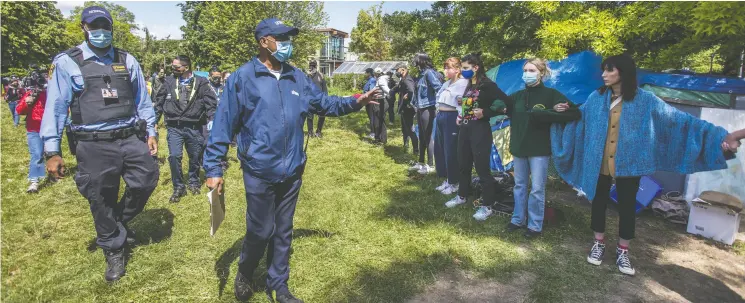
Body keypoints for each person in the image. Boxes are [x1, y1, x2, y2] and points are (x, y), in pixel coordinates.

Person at [202, 18, 380, 303]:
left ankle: (278, 286)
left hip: (293, 169)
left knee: (283, 231)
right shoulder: (243, 78)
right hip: (259, 169)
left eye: (289, 38)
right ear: (264, 42)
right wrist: (213, 167)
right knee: (260, 230)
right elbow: (223, 124)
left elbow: (324, 103)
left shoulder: (297, 77)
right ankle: (245, 271)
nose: (288, 44)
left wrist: (354, 101)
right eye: (281, 38)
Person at [550, 54, 739, 276]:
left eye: (609, 70)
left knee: (627, 206)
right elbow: (580, 117)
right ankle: (598, 243)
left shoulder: (645, 100)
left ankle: (623, 250)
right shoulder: (596, 97)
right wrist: (564, 111)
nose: (604, 74)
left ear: (624, 72)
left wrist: (721, 136)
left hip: (630, 164)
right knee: (598, 202)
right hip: (598, 161)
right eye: (604, 70)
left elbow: (682, 121)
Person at [41, 6, 159, 282]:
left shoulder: (127, 60)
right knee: (100, 196)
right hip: (92, 142)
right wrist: (52, 150)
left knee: (146, 180)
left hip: (130, 136)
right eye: (94, 26)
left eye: (105, 26)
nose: (101, 32)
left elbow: (142, 100)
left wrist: (151, 130)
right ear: (84, 27)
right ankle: (113, 248)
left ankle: (115, 223)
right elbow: (56, 107)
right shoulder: (67, 62)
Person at [491, 59, 580, 236]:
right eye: (525, 70)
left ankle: (535, 225)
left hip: (539, 149)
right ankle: (517, 219)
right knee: (519, 186)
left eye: (531, 70)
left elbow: (574, 112)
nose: (527, 73)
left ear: (541, 73)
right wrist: (499, 106)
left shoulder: (551, 95)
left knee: (538, 188)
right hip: (519, 147)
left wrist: (547, 113)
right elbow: (496, 106)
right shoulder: (517, 95)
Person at [445, 53, 511, 210]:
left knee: (482, 169)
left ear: (476, 67)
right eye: (462, 67)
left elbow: (506, 103)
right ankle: (462, 195)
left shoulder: (487, 84)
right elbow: (472, 104)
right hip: (465, 128)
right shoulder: (470, 83)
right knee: (463, 164)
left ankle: (488, 205)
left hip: (480, 130)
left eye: (466, 68)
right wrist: (461, 115)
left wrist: (486, 112)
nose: (463, 70)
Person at [154, 55, 217, 202]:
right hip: (174, 127)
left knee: (195, 157)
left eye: (176, 67)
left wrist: (212, 120)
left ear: (186, 67)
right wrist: (154, 122)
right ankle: (178, 187)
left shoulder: (201, 83)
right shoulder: (169, 81)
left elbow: (211, 104)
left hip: (194, 127)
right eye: (172, 66)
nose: (173, 69)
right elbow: (159, 103)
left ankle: (194, 181)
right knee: (175, 156)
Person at [434, 57, 468, 195]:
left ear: (457, 69)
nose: (445, 70)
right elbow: (438, 98)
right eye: (445, 67)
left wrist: (460, 115)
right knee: (440, 148)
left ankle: (455, 182)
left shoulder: (463, 83)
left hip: (451, 117)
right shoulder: (446, 83)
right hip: (441, 116)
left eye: (449, 68)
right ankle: (448, 178)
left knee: (451, 150)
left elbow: (463, 102)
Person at [409, 53, 443, 174]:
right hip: (420, 108)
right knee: (422, 136)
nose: (414, 63)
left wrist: (438, 105)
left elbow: (439, 87)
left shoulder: (429, 73)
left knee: (428, 137)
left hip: (428, 108)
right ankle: (421, 162)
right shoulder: (421, 74)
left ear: (421, 61)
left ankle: (431, 165)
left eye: (416, 61)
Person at [16, 81, 47, 193]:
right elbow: (19, 110)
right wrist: (27, 102)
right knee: (37, 154)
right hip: (34, 129)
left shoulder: (49, 93)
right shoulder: (29, 93)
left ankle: (55, 175)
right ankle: (34, 182)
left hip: (49, 128)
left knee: (53, 152)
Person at [394, 63, 418, 154]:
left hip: (408, 108)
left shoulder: (407, 79)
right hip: (404, 107)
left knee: (410, 129)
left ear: (403, 69)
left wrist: (407, 98)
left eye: (397, 70)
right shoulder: (403, 79)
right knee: (405, 129)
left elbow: (411, 90)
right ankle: (406, 146)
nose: (396, 72)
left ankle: (416, 150)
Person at [306, 61, 327, 138]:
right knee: (309, 116)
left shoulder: (321, 76)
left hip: (320, 99)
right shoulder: (307, 76)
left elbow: (324, 88)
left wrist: (325, 98)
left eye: (313, 66)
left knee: (322, 115)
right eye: (311, 66)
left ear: (316, 66)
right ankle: (310, 132)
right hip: (310, 99)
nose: (312, 67)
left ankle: (318, 132)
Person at [371, 67, 391, 144]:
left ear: (376, 73)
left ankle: (380, 139)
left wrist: (390, 93)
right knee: (379, 120)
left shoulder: (381, 79)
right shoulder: (383, 78)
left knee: (378, 121)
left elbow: (385, 88)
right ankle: (380, 138)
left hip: (380, 101)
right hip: (381, 101)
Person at [363, 67, 377, 139]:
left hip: (370, 101)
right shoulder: (369, 80)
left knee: (372, 117)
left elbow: (371, 91)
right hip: (367, 101)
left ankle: (373, 133)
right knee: (370, 117)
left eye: (366, 73)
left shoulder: (372, 80)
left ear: (369, 73)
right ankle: (373, 132)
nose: (365, 74)